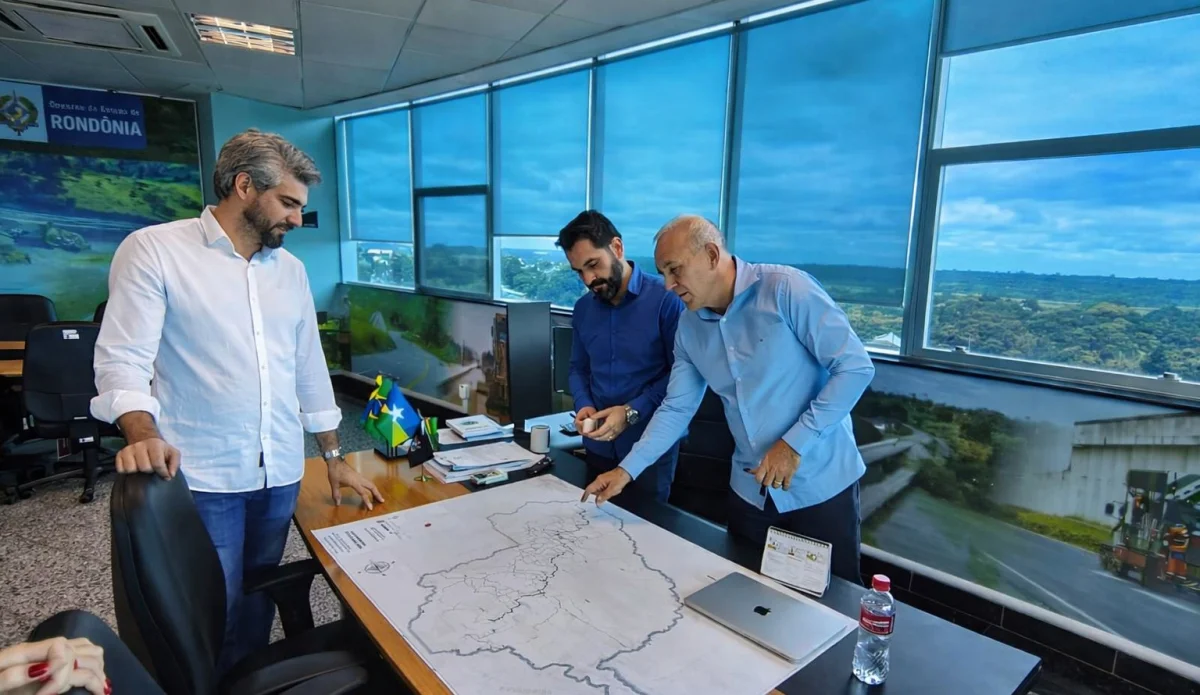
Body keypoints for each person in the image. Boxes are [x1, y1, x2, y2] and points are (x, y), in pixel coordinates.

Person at [91, 129, 384, 671]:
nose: (298, 218)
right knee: (211, 608)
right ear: (244, 186)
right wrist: (142, 432)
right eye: (289, 203)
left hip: (279, 472)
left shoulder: (291, 272)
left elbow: (308, 368)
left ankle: (250, 678)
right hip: (206, 474)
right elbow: (122, 358)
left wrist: (333, 456)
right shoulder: (156, 250)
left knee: (257, 600)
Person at [582, 215, 875, 582]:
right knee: (744, 593)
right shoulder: (688, 328)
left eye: (675, 270)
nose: (668, 285)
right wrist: (626, 470)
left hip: (820, 485)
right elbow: (677, 407)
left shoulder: (787, 290)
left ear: (710, 255)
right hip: (749, 492)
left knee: (831, 604)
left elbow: (855, 368)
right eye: (663, 274)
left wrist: (794, 444)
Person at [559, 210, 685, 504]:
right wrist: (583, 405)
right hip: (597, 445)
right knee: (596, 520)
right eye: (579, 271)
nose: (588, 279)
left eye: (593, 265)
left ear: (617, 247)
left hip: (650, 446)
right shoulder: (583, 309)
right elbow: (578, 368)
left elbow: (681, 375)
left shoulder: (666, 300)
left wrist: (630, 412)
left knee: (646, 525)